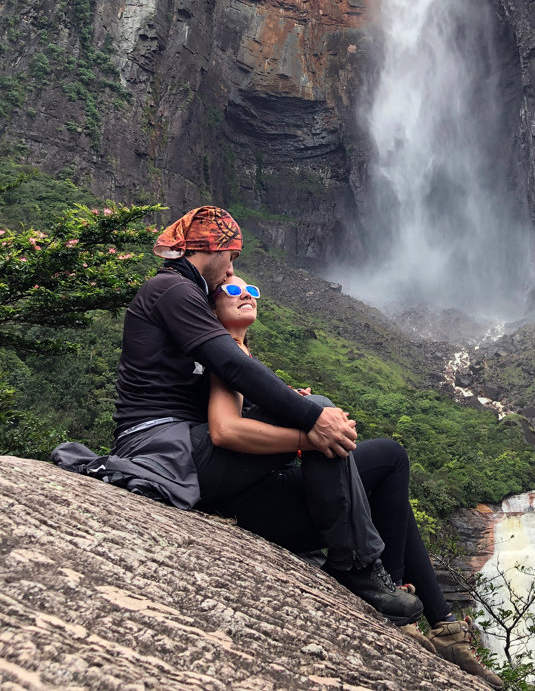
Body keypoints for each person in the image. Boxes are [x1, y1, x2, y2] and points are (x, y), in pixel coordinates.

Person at [111, 205, 420, 626]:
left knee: (325, 418)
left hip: (184, 442)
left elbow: (222, 384)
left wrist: (292, 407)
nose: (231, 267)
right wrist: (311, 421)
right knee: (323, 412)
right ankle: (357, 569)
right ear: (214, 248)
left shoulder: (187, 294)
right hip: (160, 445)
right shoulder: (173, 289)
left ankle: (362, 566)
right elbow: (232, 366)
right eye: (232, 256)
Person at [200, 273, 504, 688]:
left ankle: (444, 625)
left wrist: (292, 403)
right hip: (263, 502)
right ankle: (397, 595)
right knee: (390, 458)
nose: (246, 294)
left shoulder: (239, 355)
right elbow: (225, 430)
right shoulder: (224, 357)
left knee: (381, 474)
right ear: (210, 307)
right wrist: (307, 432)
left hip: (270, 493)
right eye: (232, 290)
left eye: (251, 290)